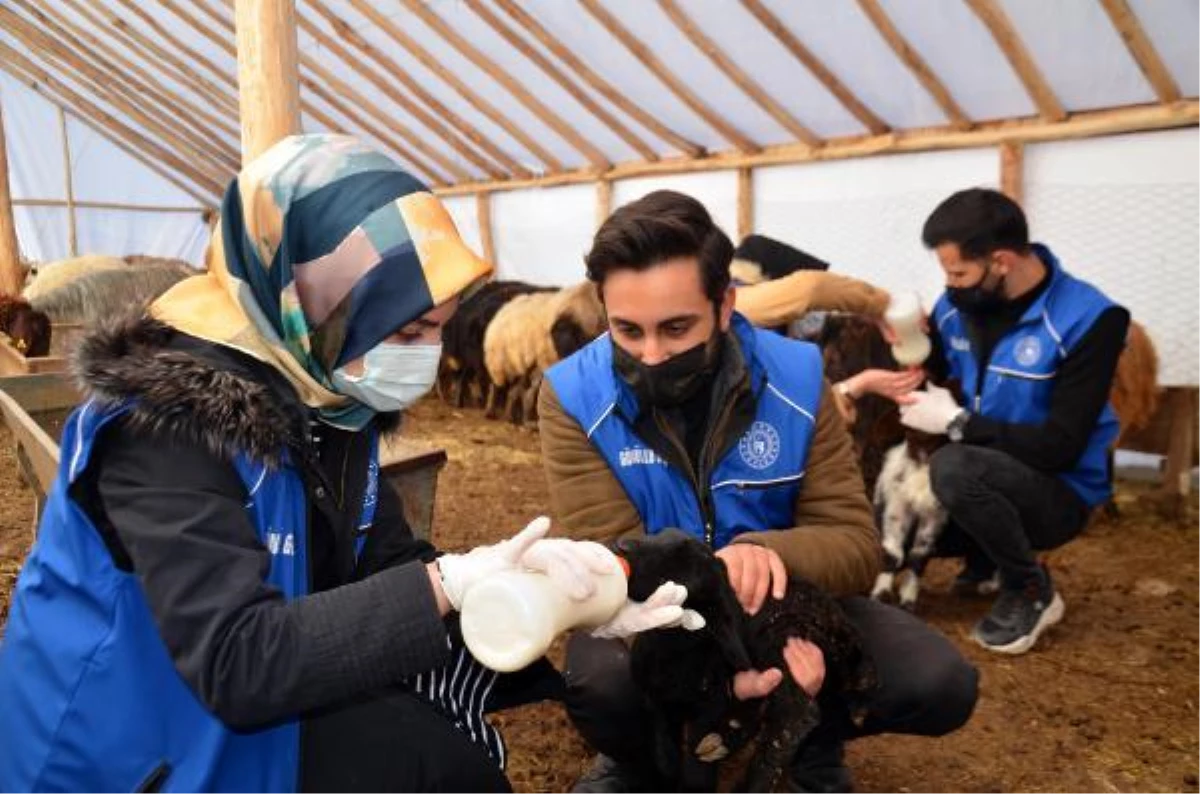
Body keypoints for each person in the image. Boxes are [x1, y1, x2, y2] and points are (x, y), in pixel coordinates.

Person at [0, 135, 696, 794]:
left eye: (439, 328)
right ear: (322, 302)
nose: (427, 355)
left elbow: (390, 565)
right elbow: (238, 662)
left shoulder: (332, 405)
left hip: (236, 715)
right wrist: (447, 584)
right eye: (408, 331)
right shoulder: (163, 431)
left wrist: (549, 601)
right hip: (126, 749)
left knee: (454, 766)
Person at [538, 190, 979, 793]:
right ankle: (640, 761)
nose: (651, 354)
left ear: (724, 305)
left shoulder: (798, 377)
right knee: (603, 685)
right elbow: (611, 551)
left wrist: (771, 553)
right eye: (627, 330)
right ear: (603, 309)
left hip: (794, 602)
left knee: (938, 682)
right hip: (654, 614)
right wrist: (719, 578)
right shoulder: (570, 395)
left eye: (676, 327)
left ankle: (809, 739)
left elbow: (854, 543)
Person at [899, 187, 1129, 655]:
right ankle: (985, 559)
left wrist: (958, 422)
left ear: (1001, 261)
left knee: (955, 468)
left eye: (959, 272)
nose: (950, 286)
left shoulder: (1089, 320)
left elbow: (1061, 446)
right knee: (902, 516)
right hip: (989, 471)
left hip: (1058, 491)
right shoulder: (957, 308)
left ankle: (1030, 590)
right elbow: (939, 372)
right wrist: (908, 349)